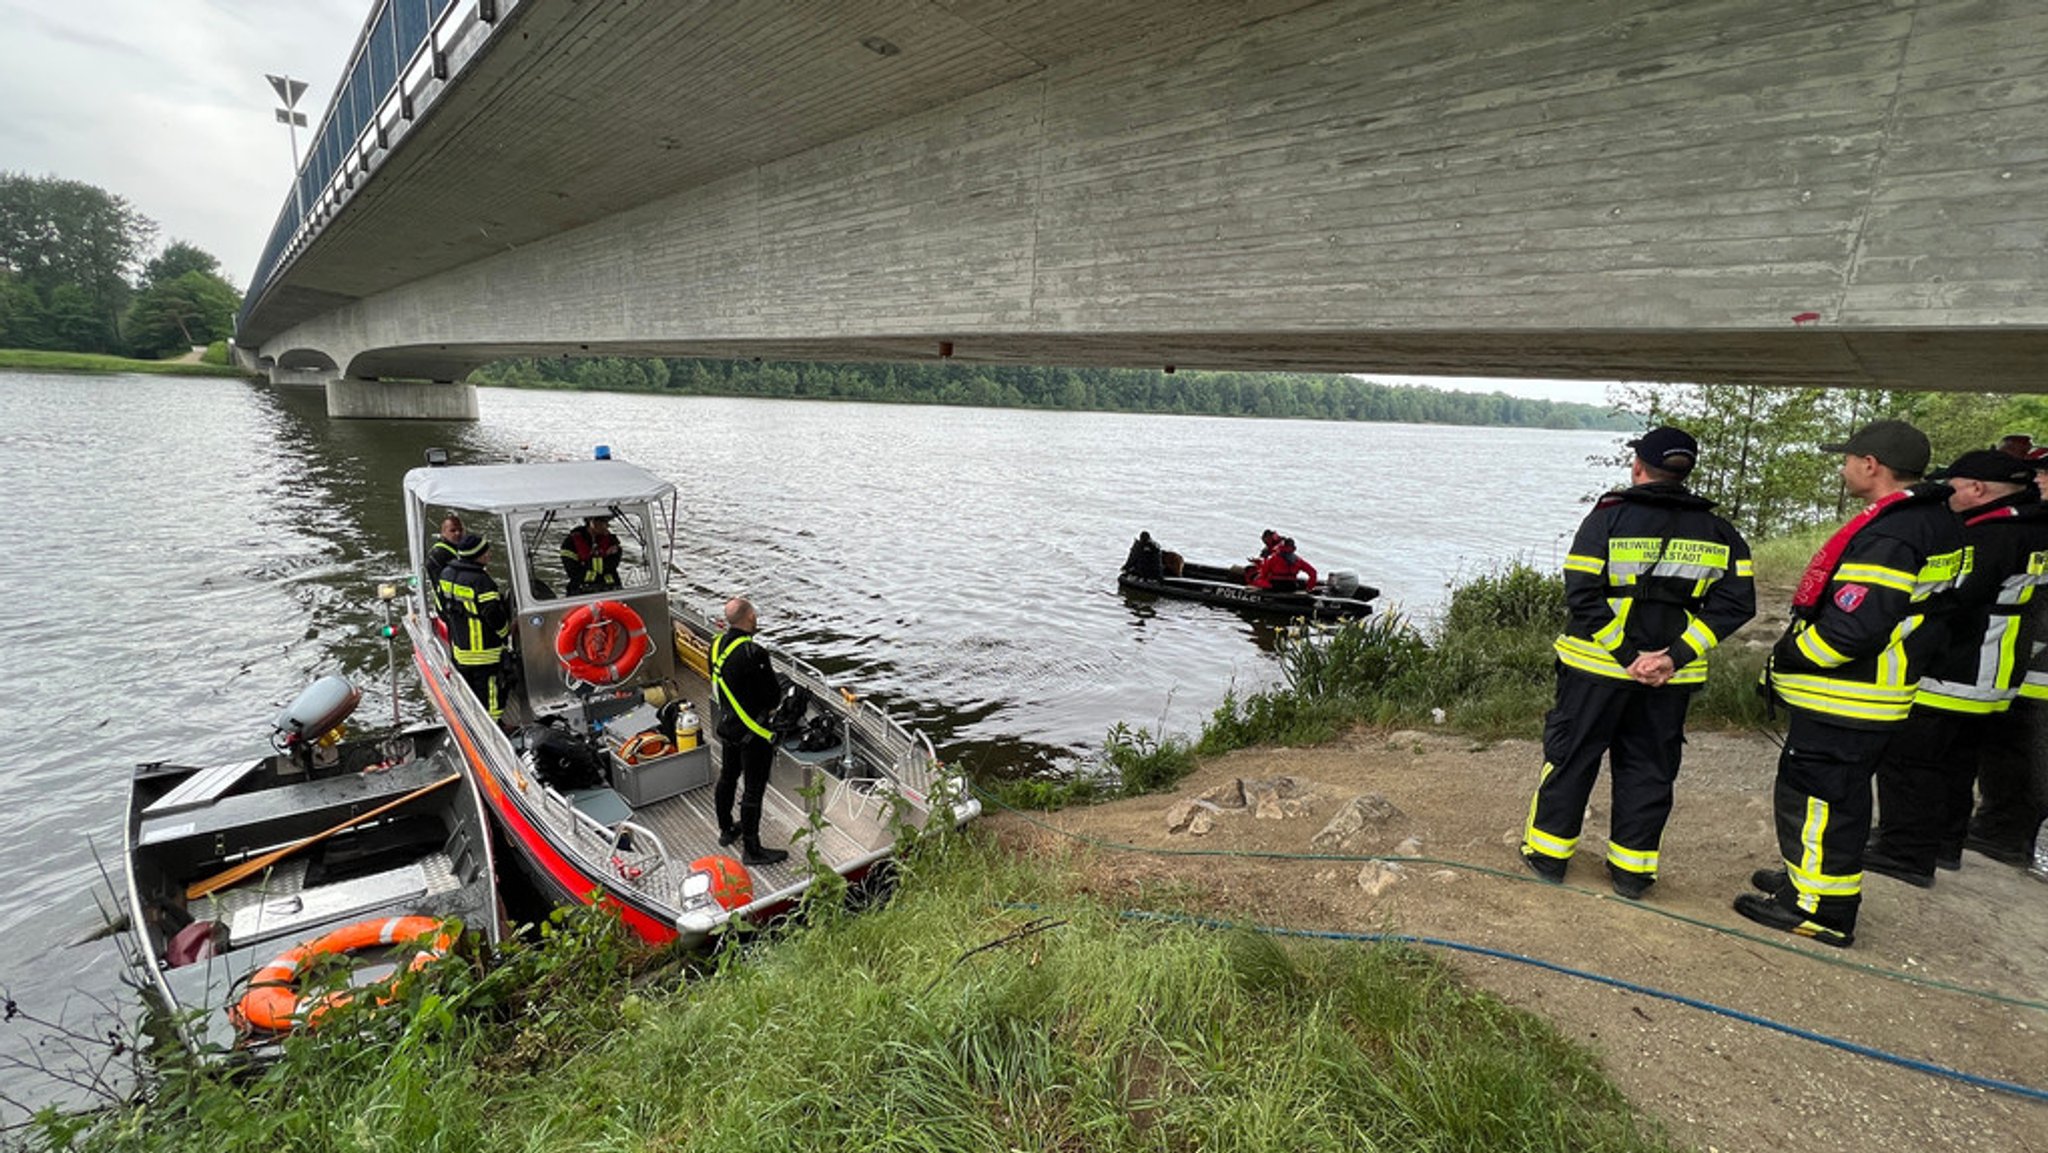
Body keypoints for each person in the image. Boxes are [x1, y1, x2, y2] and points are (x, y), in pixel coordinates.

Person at [1736, 420, 1965, 947]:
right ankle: (1812, 880)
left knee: (1817, 797)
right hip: (1885, 689)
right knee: (1842, 798)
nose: (1842, 469)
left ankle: (1816, 908)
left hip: (1850, 695)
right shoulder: (1939, 522)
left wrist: (1790, 657)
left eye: (1848, 460)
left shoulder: (1893, 533)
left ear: (1872, 465)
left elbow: (1851, 630)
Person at [1521, 426, 1756, 898]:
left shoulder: (1608, 517)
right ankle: (1631, 873)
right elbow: (1737, 605)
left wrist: (1628, 656)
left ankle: (1548, 856)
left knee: (1571, 758)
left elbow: (1582, 593)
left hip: (1595, 669)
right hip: (1669, 679)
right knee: (1650, 769)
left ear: (1638, 466)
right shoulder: (1720, 531)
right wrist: (1674, 656)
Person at [1867, 450, 2048, 882]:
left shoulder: (1992, 536)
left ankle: (1904, 851)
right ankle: (1943, 843)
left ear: (1976, 489)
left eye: (1951, 485)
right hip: (1998, 669)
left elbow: (1952, 597)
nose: (1945, 494)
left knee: (1912, 758)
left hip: (1960, 666)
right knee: (1957, 759)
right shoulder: (2034, 529)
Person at [709, 597, 790, 866]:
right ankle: (753, 850)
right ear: (751, 618)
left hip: (729, 726)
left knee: (728, 777)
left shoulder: (716, 645)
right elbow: (771, 697)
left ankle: (726, 829)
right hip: (753, 732)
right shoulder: (753, 653)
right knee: (753, 789)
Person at [437, 534, 512, 721]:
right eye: (486, 551)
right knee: (492, 696)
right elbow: (493, 616)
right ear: (477, 555)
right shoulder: (482, 582)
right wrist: (506, 633)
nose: (489, 554)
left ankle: (472, 722)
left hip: (461, 651)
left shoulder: (445, 574)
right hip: (485, 654)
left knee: (470, 693)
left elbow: (440, 610)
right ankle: (495, 730)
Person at [560, 515, 623, 596]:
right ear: (593, 522)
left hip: (611, 589)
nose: (607, 526)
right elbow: (573, 572)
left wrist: (586, 562)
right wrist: (604, 555)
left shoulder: (612, 541)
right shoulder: (570, 543)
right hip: (581, 591)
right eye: (604, 522)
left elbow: (611, 565)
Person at [1250, 537, 1318, 590]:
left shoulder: (1274, 557)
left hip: (1275, 586)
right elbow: (1313, 573)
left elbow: (1264, 572)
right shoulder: (1298, 560)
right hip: (1291, 586)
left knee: (1257, 579)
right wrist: (1309, 587)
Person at [425, 514, 464, 599]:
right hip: (448, 601)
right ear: (443, 533)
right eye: (453, 530)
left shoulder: (459, 549)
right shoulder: (439, 553)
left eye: (460, 530)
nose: (458, 533)